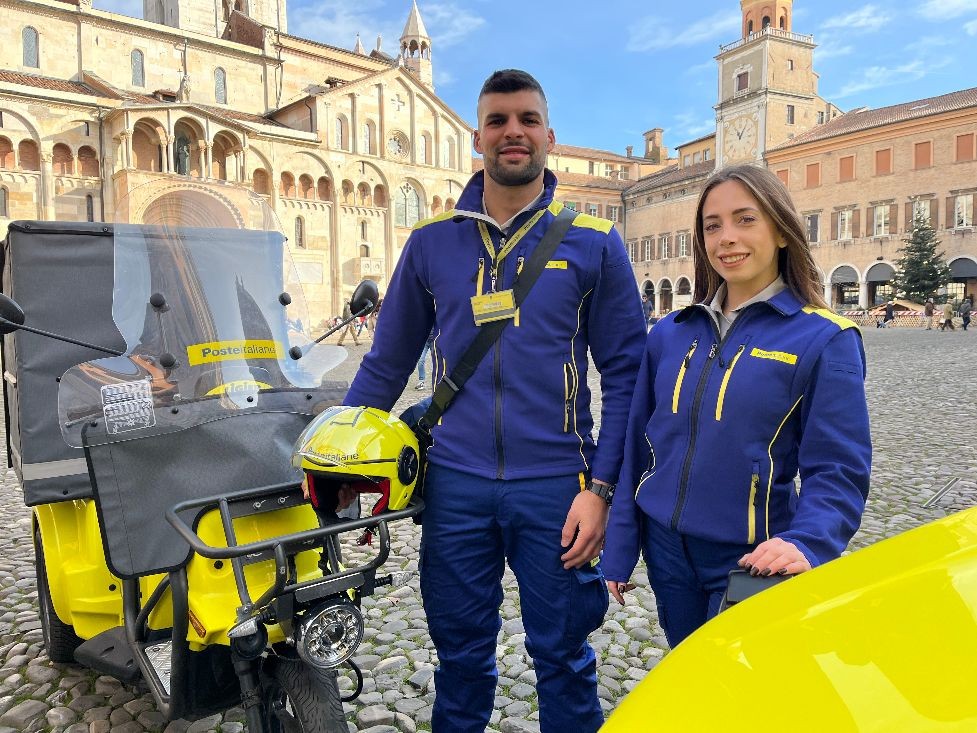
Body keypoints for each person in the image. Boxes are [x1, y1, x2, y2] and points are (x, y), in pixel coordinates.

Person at [343, 69, 645, 733]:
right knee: (460, 656)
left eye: (527, 120)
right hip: (455, 487)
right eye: (498, 121)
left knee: (563, 655)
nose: (513, 132)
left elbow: (626, 375)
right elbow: (386, 364)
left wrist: (601, 490)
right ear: (476, 138)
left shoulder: (594, 242)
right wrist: (338, 452)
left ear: (548, 136)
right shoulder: (431, 241)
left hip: (557, 488)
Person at [602, 164, 872, 648]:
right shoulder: (669, 333)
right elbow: (638, 447)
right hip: (667, 552)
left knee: (740, 686)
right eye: (713, 225)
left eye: (745, 219)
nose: (727, 237)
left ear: (782, 230)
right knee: (688, 667)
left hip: (752, 557)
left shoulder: (826, 339)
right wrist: (621, 547)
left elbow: (838, 467)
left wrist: (807, 540)